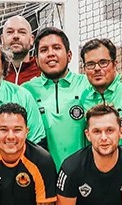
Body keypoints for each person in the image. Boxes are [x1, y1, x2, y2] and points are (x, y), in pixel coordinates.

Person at [21, 27, 90, 172]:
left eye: (57, 48)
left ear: (69, 55)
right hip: (42, 177)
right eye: (44, 50)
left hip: (84, 176)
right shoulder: (25, 91)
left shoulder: (88, 84)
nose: (50, 54)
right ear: (37, 60)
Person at [1, 16, 39, 85]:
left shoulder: (42, 72)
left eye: (22, 32)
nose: (16, 36)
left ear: (32, 39)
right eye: (10, 32)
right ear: (2, 40)